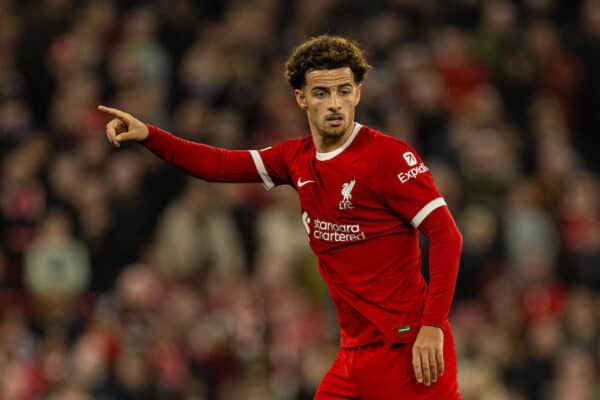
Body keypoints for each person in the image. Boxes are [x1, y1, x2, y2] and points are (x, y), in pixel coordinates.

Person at [99, 35, 463, 399]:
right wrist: (150, 135)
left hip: (410, 349)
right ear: (301, 98)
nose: (334, 103)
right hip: (355, 353)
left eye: (344, 90)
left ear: (357, 94)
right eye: (321, 93)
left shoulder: (388, 157)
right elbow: (218, 164)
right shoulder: (295, 159)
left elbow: (447, 236)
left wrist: (431, 327)